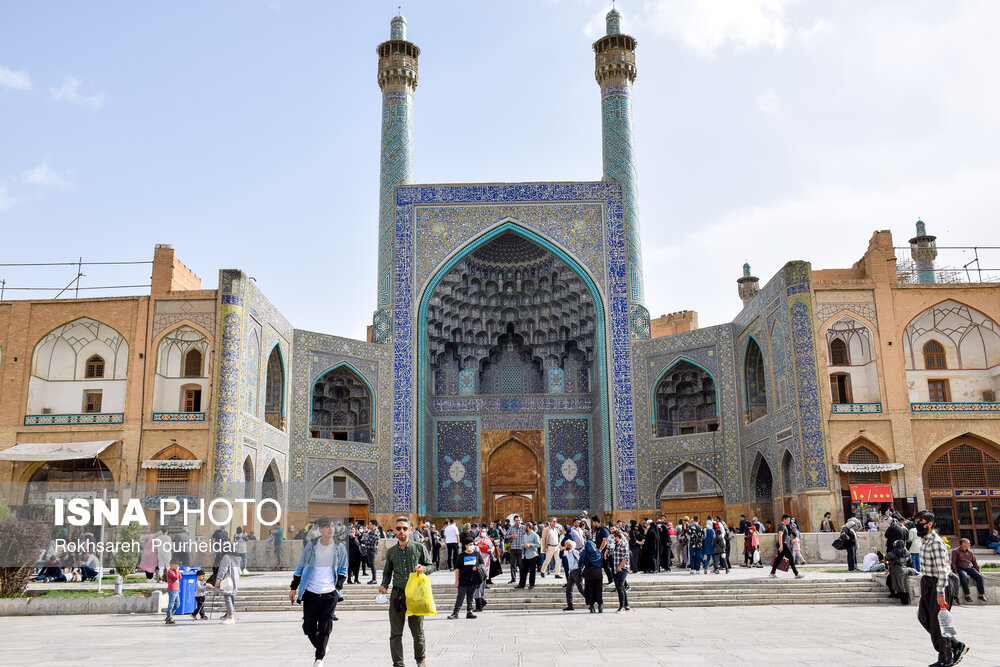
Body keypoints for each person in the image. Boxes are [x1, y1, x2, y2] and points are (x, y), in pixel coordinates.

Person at [289, 516, 347, 667]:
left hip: (329, 593)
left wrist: (338, 587)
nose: (330, 529)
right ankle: (322, 648)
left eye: (332, 526)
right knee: (309, 627)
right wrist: (293, 588)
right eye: (327, 526)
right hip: (310, 592)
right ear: (320, 530)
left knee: (325, 627)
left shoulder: (339, 547)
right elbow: (300, 567)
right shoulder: (312, 545)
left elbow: (343, 569)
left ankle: (318, 659)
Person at [914, 510, 969, 667]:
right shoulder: (924, 540)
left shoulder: (936, 542)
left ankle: (946, 658)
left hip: (938, 583)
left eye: (921, 522)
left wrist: (940, 592)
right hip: (927, 582)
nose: (917, 525)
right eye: (916, 522)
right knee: (923, 617)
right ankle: (956, 645)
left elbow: (943, 569)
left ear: (929, 524)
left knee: (938, 622)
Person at [379, 516, 435, 667]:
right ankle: (398, 663)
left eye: (405, 528)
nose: (402, 531)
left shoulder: (419, 548)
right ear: (395, 531)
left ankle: (420, 661)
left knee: (417, 632)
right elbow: (387, 572)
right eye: (399, 528)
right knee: (396, 633)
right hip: (397, 595)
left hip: (415, 595)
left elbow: (431, 566)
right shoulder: (391, 552)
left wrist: (423, 569)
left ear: (410, 530)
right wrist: (384, 585)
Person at [448, 535, 483, 620]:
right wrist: (456, 580)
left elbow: (482, 564)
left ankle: (469, 612)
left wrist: (477, 567)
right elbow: (457, 569)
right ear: (466, 546)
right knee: (460, 596)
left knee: (470, 597)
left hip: (473, 579)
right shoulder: (461, 555)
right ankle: (455, 613)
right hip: (463, 579)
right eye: (470, 544)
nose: (472, 546)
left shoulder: (477, 554)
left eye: (473, 544)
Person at [206, 551, 241, 625]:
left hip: (227, 580)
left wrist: (218, 580)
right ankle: (229, 616)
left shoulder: (226, 557)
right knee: (229, 598)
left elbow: (223, 570)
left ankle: (231, 617)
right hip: (233, 581)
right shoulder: (237, 558)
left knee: (227, 599)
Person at [951, 538, 987, 603]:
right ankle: (967, 595)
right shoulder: (955, 551)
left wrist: (979, 572)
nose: (969, 544)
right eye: (968, 543)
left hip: (969, 568)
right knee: (964, 577)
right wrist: (955, 572)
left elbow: (975, 563)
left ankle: (981, 595)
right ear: (963, 543)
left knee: (979, 576)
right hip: (960, 568)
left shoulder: (970, 552)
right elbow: (953, 562)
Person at [769, 514, 804, 579]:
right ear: (784, 519)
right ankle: (796, 574)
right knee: (790, 557)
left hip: (782, 544)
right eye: (788, 520)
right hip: (783, 544)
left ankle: (772, 573)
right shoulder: (781, 526)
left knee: (779, 558)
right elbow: (780, 535)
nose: (789, 521)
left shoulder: (784, 526)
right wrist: (781, 545)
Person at [609, 526, 631, 612]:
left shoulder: (623, 545)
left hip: (622, 568)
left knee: (620, 586)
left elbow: (626, 558)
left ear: (617, 537)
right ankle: (626, 605)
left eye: (613, 537)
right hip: (615, 568)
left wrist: (619, 567)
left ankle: (621, 607)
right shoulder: (615, 545)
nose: (612, 539)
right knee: (620, 587)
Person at [560, 534, 584, 611]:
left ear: (569, 545)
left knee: (581, 589)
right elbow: (560, 553)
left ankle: (591, 602)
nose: (564, 546)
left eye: (565, 545)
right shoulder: (568, 553)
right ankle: (570, 606)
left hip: (577, 572)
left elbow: (581, 561)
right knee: (568, 590)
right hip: (571, 572)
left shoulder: (575, 552)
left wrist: (582, 572)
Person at [885, 540, 912, 605]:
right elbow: (910, 562)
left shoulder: (894, 551)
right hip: (904, 569)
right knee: (902, 585)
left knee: (899, 586)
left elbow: (887, 557)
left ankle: (904, 601)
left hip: (896, 570)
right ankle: (896, 595)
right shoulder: (907, 552)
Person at [515, 522, 541, 589]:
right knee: (523, 571)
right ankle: (521, 584)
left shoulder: (535, 535)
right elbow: (522, 543)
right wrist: (523, 546)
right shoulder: (524, 535)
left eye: (525, 527)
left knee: (532, 570)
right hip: (525, 555)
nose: (524, 528)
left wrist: (530, 545)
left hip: (532, 555)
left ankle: (531, 585)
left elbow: (538, 545)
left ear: (528, 527)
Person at [581, 539, 604, 613]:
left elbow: (581, 563)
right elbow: (602, 562)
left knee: (589, 590)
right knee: (598, 590)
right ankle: (600, 606)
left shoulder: (585, 554)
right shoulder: (599, 553)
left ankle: (592, 606)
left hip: (589, 573)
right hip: (598, 573)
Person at [507, 515, 526, 583]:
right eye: (516, 520)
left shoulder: (523, 528)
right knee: (512, 564)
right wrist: (511, 536)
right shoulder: (511, 528)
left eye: (518, 520)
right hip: (513, 548)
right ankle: (513, 579)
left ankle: (522, 579)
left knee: (521, 565)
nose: (517, 522)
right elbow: (506, 536)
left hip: (521, 549)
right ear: (514, 521)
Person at [363, 520, 381, 584]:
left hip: (372, 550)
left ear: (374, 525)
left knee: (372, 564)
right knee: (371, 564)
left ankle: (374, 579)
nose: (369, 526)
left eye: (370, 525)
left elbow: (369, 541)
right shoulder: (371, 531)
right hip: (370, 549)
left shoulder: (375, 532)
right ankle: (373, 579)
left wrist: (364, 540)